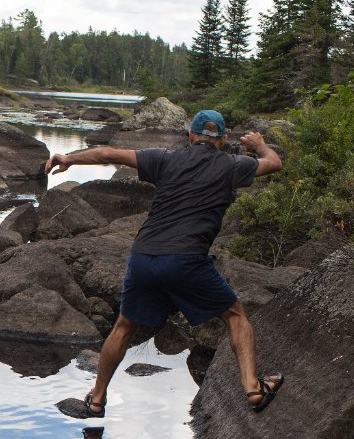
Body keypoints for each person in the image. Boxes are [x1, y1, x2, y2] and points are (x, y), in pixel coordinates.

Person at [44, 110, 285, 418]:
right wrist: (259, 145)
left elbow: (107, 153)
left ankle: (97, 398)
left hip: (144, 257)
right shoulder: (232, 165)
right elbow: (275, 163)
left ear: (191, 136)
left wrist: (70, 159)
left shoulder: (164, 159)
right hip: (187, 259)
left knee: (124, 326)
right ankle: (253, 388)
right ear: (222, 141)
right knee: (236, 317)